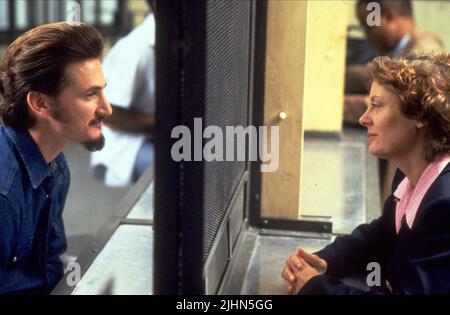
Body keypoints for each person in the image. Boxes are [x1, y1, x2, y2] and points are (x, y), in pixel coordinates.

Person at [282, 53, 450, 294]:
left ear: (420, 115)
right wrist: (325, 261)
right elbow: (381, 235)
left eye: (377, 105)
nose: (363, 118)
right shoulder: (411, 175)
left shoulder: (445, 203)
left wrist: (314, 287)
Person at [0, 22, 111, 294]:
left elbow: (50, 263)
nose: (106, 108)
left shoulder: (56, 165)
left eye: (102, 90)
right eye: (90, 95)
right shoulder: (4, 194)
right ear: (40, 103)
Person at [344, 0, 445, 202]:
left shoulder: (423, 51)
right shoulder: (400, 50)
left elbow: (393, 104)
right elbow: (366, 76)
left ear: (389, 16)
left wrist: (332, 107)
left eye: (368, 26)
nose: (366, 35)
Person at [90, 1, 156, 187]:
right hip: (126, 147)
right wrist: (162, 122)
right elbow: (107, 113)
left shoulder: (175, 40)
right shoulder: (136, 49)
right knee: (178, 170)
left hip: (156, 136)